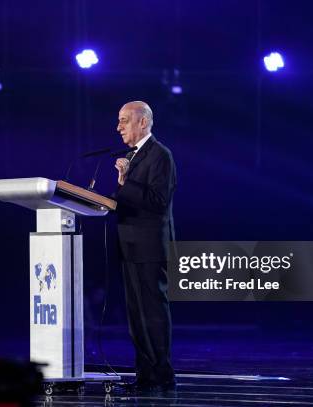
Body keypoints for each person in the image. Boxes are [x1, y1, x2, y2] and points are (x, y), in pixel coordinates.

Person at [113, 101, 177, 391]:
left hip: (150, 248)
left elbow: (158, 202)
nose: (119, 127)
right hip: (131, 246)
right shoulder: (134, 155)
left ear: (143, 122)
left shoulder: (160, 155)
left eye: (124, 120)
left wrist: (125, 181)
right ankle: (145, 374)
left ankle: (162, 372)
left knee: (152, 312)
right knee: (136, 315)